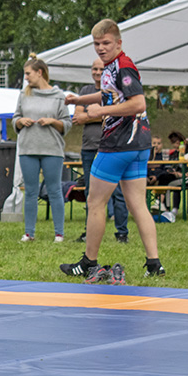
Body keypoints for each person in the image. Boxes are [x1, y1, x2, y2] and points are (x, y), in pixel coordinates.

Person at [60, 19, 165, 281]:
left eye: (106, 43)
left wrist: (101, 111)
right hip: (139, 145)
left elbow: (138, 103)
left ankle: (88, 263)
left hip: (118, 144)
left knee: (95, 202)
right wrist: (79, 100)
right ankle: (154, 263)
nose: (101, 48)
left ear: (119, 43)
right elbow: (110, 95)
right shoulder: (112, 67)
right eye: (96, 44)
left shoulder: (124, 66)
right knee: (137, 204)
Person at [12, 54, 71, 243]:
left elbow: (67, 124)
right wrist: (20, 121)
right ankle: (29, 233)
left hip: (52, 149)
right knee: (30, 191)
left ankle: (59, 233)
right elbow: (15, 118)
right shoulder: (24, 95)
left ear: (40, 72)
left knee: (54, 190)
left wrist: (53, 121)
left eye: (28, 74)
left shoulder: (58, 96)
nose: (26, 78)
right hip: (28, 148)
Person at [71, 58, 130, 243]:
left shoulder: (116, 90)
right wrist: (101, 114)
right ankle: (90, 231)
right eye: (94, 69)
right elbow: (77, 118)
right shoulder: (86, 91)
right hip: (89, 147)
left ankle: (122, 232)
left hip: (113, 146)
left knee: (118, 191)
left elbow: (119, 113)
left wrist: (92, 114)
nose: (97, 72)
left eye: (101, 69)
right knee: (91, 192)